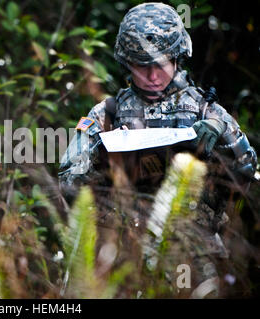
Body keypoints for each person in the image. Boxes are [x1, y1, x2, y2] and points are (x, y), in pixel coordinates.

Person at [58, 2, 257, 297]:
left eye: (160, 63)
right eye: (142, 65)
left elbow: (247, 171)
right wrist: (103, 153)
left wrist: (222, 138)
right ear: (127, 64)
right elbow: (68, 181)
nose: (152, 75)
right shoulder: (107, 114)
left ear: (177, 58)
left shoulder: (207, 112)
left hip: (192, 253)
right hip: (121, 253)